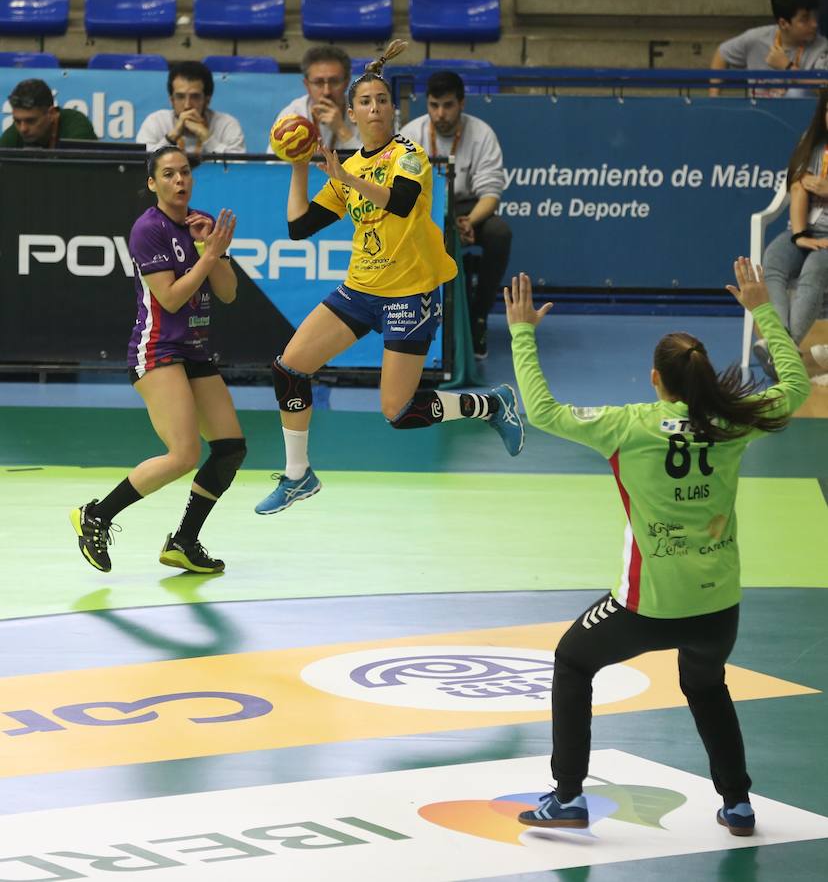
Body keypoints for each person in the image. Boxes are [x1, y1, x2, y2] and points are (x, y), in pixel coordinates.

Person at [507, 261, 809, 836]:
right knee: (705, 684)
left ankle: (568, 796)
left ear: (654, 379)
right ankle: (739, 804)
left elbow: (542, 412)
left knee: (572, 662)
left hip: (644, 607)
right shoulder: (733, 422)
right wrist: (763, 308)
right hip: (717, 607)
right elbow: (794, 387)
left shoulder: (628, 426)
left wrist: (523, 332)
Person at [254, 41, 524, 516]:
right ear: (351, 112)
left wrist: (347, 178)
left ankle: (491, 405)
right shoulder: (348, 166)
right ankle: (298, 475)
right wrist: (299, 167)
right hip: (360, 291)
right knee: (288, 368)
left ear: (393, 110)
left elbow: (398, 202)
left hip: (411, 294)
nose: (375, 107)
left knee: (399, 413)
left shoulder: (411, 155)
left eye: (382, 100)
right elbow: (299, 229)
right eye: (365, 101)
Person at [70, 146, 245, 574]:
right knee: (183, 454)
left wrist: (213, 248)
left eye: (185, 172)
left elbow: (228, 292)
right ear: (153, 183)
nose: (179, 180)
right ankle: (97, 514)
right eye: (168, 174)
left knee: (229, 449)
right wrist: (207, 255)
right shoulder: (147, 229)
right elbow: (169, 297)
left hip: (194, 351)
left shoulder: (199, 222)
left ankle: (184, 541)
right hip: (158, 350)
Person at [399, 71, 510, 358]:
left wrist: (469, 221)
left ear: (462, 103)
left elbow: (491, 195)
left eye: (448, 105)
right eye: (434, 105)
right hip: (425, 207)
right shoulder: (411, 134)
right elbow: (401, 190)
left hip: (468, 207)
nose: (440, 114)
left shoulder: (482, 134)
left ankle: (478, 318)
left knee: (499, 234)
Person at [755, 86, 828, 379]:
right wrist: (799, 236)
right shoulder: (811, 146)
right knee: (773, 260)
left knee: (814, 269)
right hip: (805, 231)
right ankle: (781, 345)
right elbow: (797, 186)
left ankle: (782, 349)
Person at [710, 0, 828, 96]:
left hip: (802, 115)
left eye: (814, 16)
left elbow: (824, 86)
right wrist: (713, 98)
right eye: (805, 19)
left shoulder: (821, 46)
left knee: (797, 93)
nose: (814, 24)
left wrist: (787, 67)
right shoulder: (755, 39)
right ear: (783, 23)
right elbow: (722, 54)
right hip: (760, 113)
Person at [136, 62, 245, 155]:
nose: (187, 105)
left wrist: (207, 138)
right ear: (171, 100)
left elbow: (239, 170)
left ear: (207, 100)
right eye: (180, 97)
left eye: (195, 97)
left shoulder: (227, 124)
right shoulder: (156, 122)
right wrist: (171, 138)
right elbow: (142, 167)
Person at [273, 45, 360, 151]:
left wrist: (341, 129)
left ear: (347, 82)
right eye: (318, 82)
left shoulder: (362, 114)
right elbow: (273, 165)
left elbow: (374, 164)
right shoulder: (291, 116)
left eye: (334, 82)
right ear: (307, 85)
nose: (326, 91)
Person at [0, 78, 96, 148]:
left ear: (52, 114)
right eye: (17, 121)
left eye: (31, 121)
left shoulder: (77, 128)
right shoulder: (14, 134)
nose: (23, 129)